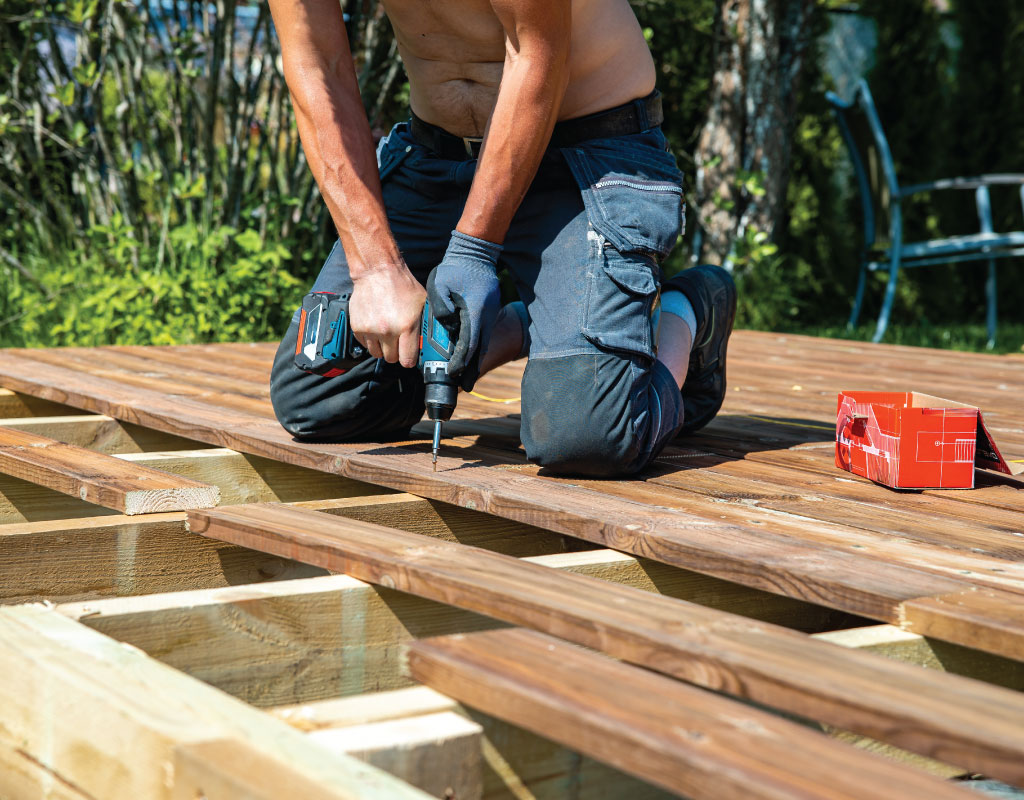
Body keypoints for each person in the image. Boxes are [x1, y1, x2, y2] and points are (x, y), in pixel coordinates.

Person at [268, 0, 736, 476]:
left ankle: (685, 314)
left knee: (588, 436)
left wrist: (473, 250)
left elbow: (535, 54)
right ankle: (526, 325)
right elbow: (314, 64)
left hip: (587, 154)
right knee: (320, 398)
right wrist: (376, 269)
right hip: (435, 156)